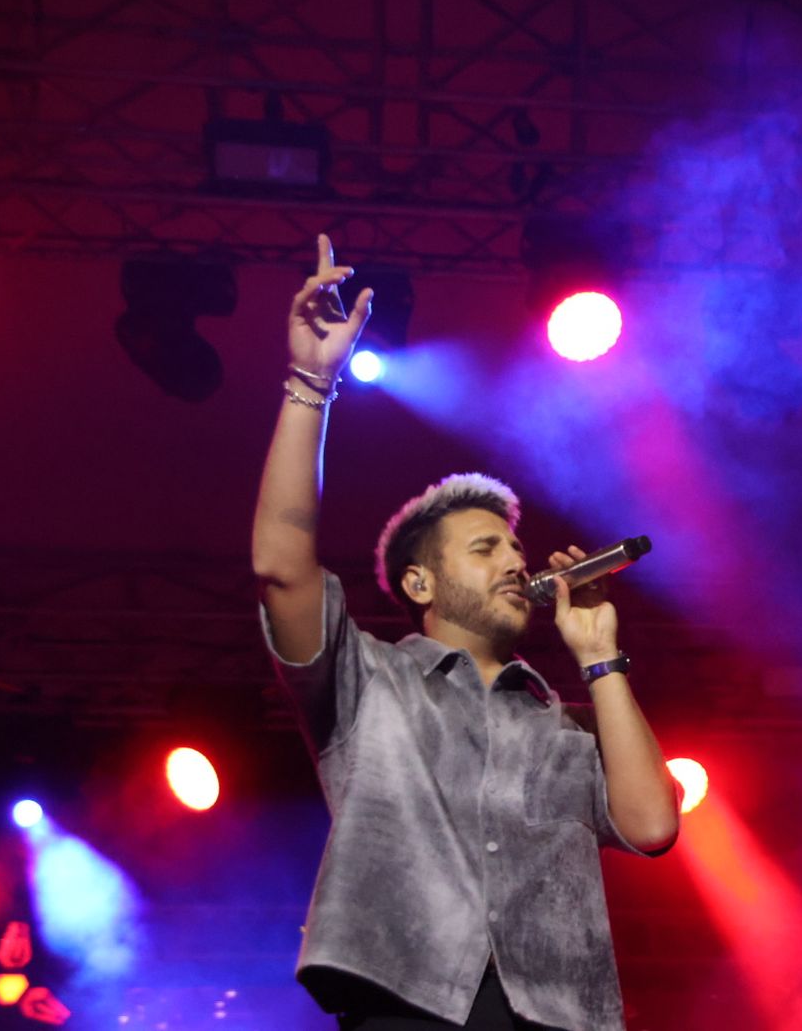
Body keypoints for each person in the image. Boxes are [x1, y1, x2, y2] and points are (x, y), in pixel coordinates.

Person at [252, 235, 680, 1031]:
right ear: (420, 583)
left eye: (516, 546)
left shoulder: (561, 727)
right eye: (486, 548)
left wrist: (598, 654)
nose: (515, 562)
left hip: (555, 1014)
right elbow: (281, 564)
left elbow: (653, 825)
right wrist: (312, 381)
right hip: (405, 1001)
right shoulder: (367, 682)